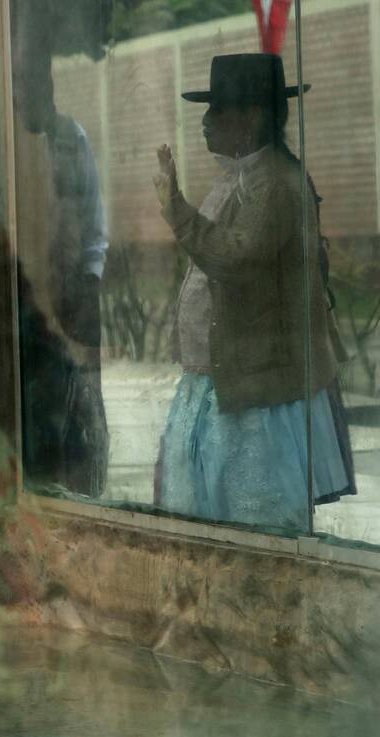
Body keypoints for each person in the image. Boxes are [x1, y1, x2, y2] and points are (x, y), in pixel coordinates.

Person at [153, 53, 355, 531]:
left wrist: (176, 209)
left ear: (252, 116)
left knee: (257, 525)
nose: (205, 121)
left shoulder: (278, 185)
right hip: (228, 382)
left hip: (259, 394)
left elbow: (235, 260)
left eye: (218, 109)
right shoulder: (241, 178)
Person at [14, 48, 110, 498]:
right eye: (25, 85)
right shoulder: (9, 143)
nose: (35, 93)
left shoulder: (72, 137)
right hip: (26, 302)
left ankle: (88, 496)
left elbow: (94, 220)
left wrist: (90, 278)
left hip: (74, 293)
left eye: (41, 82)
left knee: (84, 407)